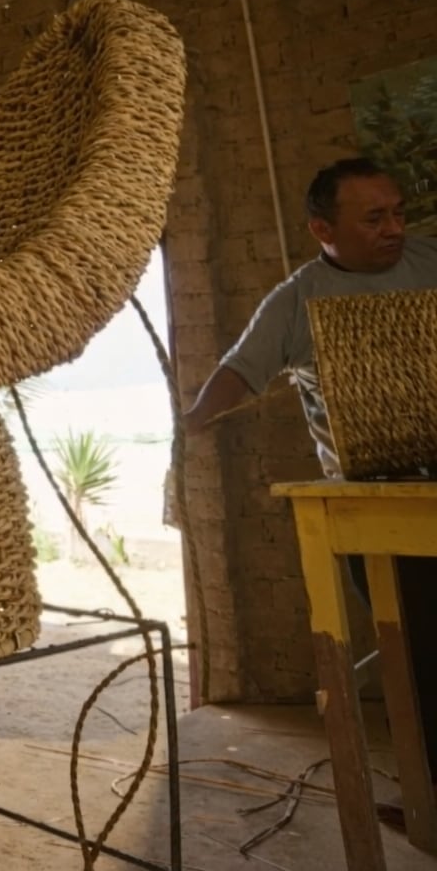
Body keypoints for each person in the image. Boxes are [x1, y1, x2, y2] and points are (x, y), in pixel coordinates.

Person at [182, 156, 437, 824]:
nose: (393, 229)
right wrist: (193, 426)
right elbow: (240, 372)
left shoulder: (431, 264)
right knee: (421, 654)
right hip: (365, 500)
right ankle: (430, 801)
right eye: (373, 217)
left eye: (397, 213)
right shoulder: (296, 300)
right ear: (322, 229)